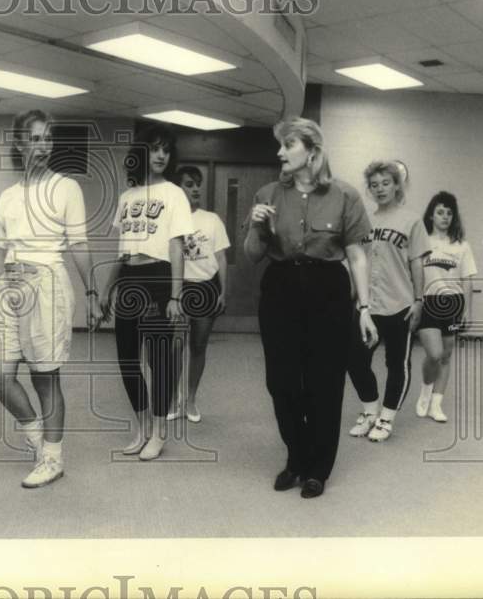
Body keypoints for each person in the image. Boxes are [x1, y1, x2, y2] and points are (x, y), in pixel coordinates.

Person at [243, 117, 377, 499]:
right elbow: (252, 255)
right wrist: (256, 227)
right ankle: (296, 456)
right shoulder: (267, 194)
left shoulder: (345, 195)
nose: (280, 152)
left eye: (288, 145)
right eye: (281, 145)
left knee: (324, 382)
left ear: (312, 152)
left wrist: (365, 307)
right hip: (281, 288)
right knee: (281, 382)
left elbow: (357, 255)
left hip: (327, 290)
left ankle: (318, 467)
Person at [0, 110, 100, 489]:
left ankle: (53, 459)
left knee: (44, 379)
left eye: (47, 139)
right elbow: (3, 249)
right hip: (9, 288)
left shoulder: (66, 188)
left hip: (47, 284)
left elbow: (79, 244)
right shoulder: (7, 196)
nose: (42, 146)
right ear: (19, 143)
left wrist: (93, 292)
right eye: (34, 139)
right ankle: (38, 439)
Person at [98, 122, 193, 461]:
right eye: (155, 149)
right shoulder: (127, 197)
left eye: (166, 150)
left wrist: (176, 295)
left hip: (159, 277)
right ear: (142, 153)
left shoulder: (174, 194)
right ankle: (141, 429)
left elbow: (177, 245)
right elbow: (121, 251)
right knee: (127, 358)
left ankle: (159, 432)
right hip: (128, 278)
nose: (161, 155)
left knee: (159, 359)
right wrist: (106, 291)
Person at [345, 161, 430, 443]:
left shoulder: (412, 220)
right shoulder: (364, 220)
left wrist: (419, 300)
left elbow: (417, 264)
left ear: (396, 186)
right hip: (368, 305)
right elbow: (357, 261)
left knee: (397, 363)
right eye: (374, 184)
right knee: (355, 359)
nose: (380, 189)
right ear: (368, 189)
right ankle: (370, 410)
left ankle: (387, 417)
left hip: (400, 303)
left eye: (385, 183)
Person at [167, 165, 229, 423]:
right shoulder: (170, 220)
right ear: (178, 188)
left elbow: (221, 258)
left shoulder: (211, 219)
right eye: (189, 184)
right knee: (176, 346)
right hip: (181, 288)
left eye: (197, 184)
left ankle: (191, 399)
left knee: (199, 346)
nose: (195, 189)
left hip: (206, 287)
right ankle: (173, 399)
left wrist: (223, 292)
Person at [415, 191, 477, 423]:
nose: (445, 217)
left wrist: (468, 310)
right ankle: (425, 390)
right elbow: (414, 274)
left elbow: (468, 279)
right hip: (429, 301)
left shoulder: (461, 246)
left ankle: (436, 405)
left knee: (447, 356)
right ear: (431, 215)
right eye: (440, 212)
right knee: (435, 353)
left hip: (453, 302)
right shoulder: (422, 242)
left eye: (449, 213)